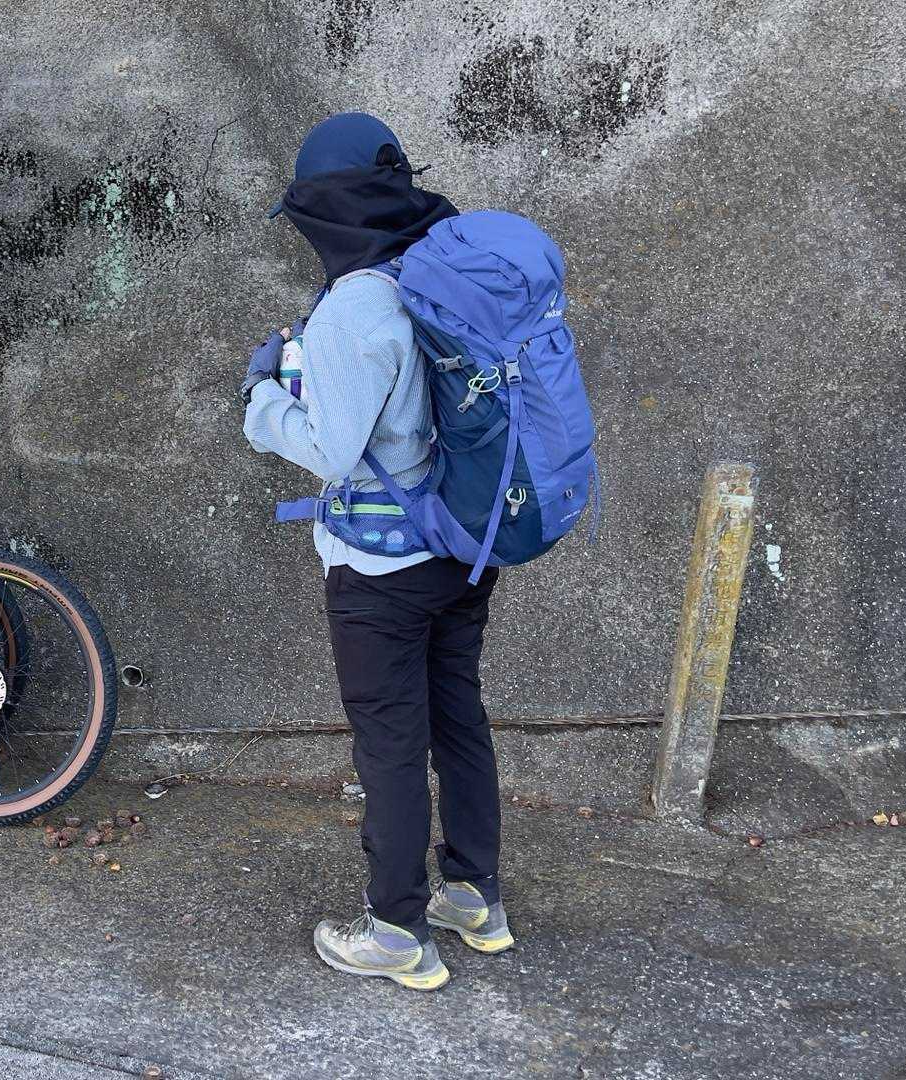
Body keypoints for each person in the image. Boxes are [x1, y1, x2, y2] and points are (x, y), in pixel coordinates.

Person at [241, 112, 513, 992]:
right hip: (464, 546)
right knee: (457, 718)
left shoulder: (357, 304)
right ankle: (475, 897)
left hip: (381, 570)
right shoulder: (439, 269)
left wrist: (261, 398)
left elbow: (331, 448)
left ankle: (397, 930)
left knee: (391, 744)